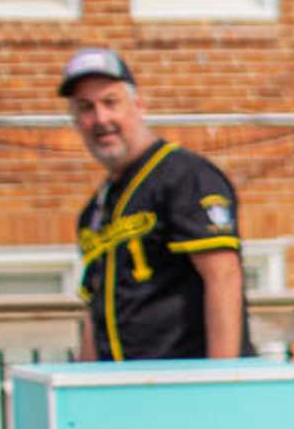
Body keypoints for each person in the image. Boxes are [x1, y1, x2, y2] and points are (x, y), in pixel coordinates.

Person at [61, 49, 242, 362]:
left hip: (181, 378)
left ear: (139, 105)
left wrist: (223, 379)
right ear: (76, 121)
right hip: (119, 383)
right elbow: (95, 314)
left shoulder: (185, 176)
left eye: (110, 102)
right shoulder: (95, 210)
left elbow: (223, 277)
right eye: (85, 108)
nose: (101, 119)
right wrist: (82, 380)